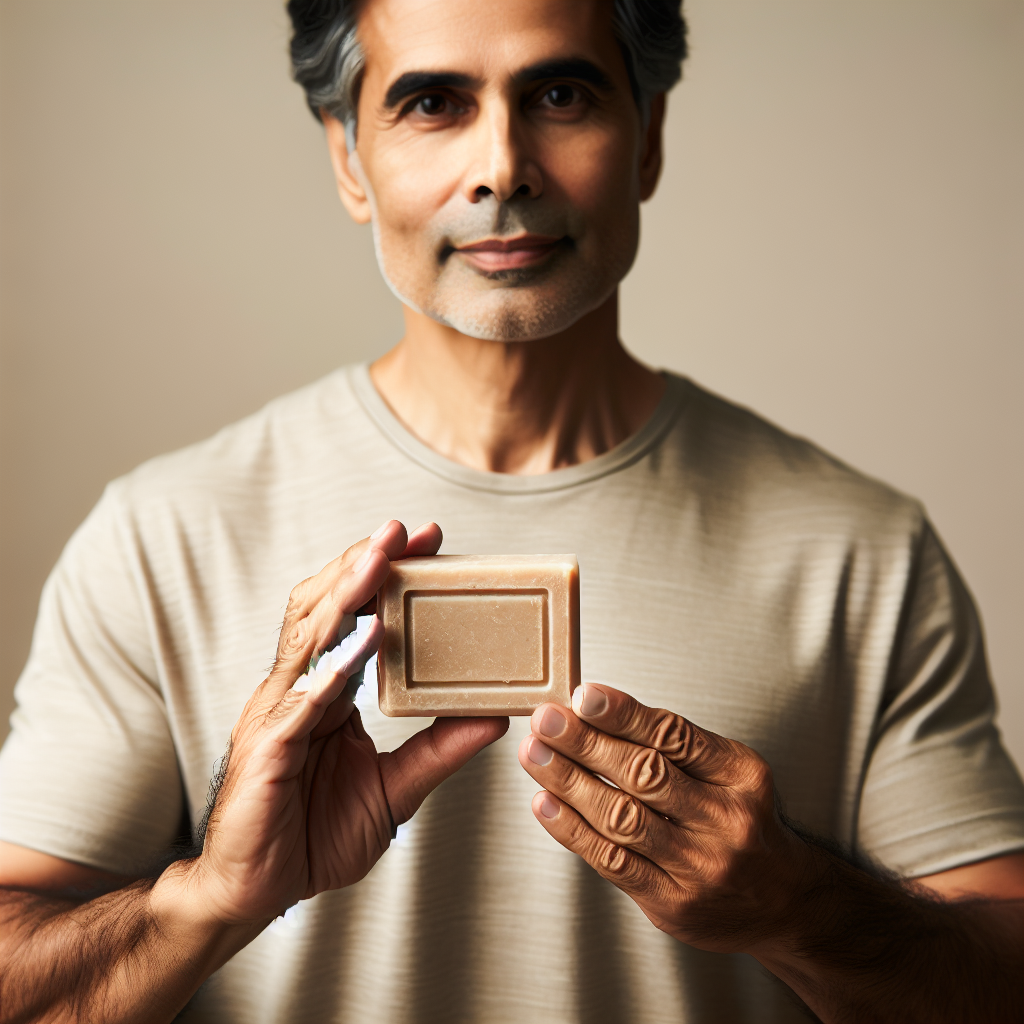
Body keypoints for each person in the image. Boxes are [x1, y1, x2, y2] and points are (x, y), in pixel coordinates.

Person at [0, 0, 1021, 1020]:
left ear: (649, 137)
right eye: (433, 102)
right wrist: (209, 900)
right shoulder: (159, 537)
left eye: (561, 95)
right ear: (350, 159)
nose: (502, 167)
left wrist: (798, 904)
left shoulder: (861, 552)